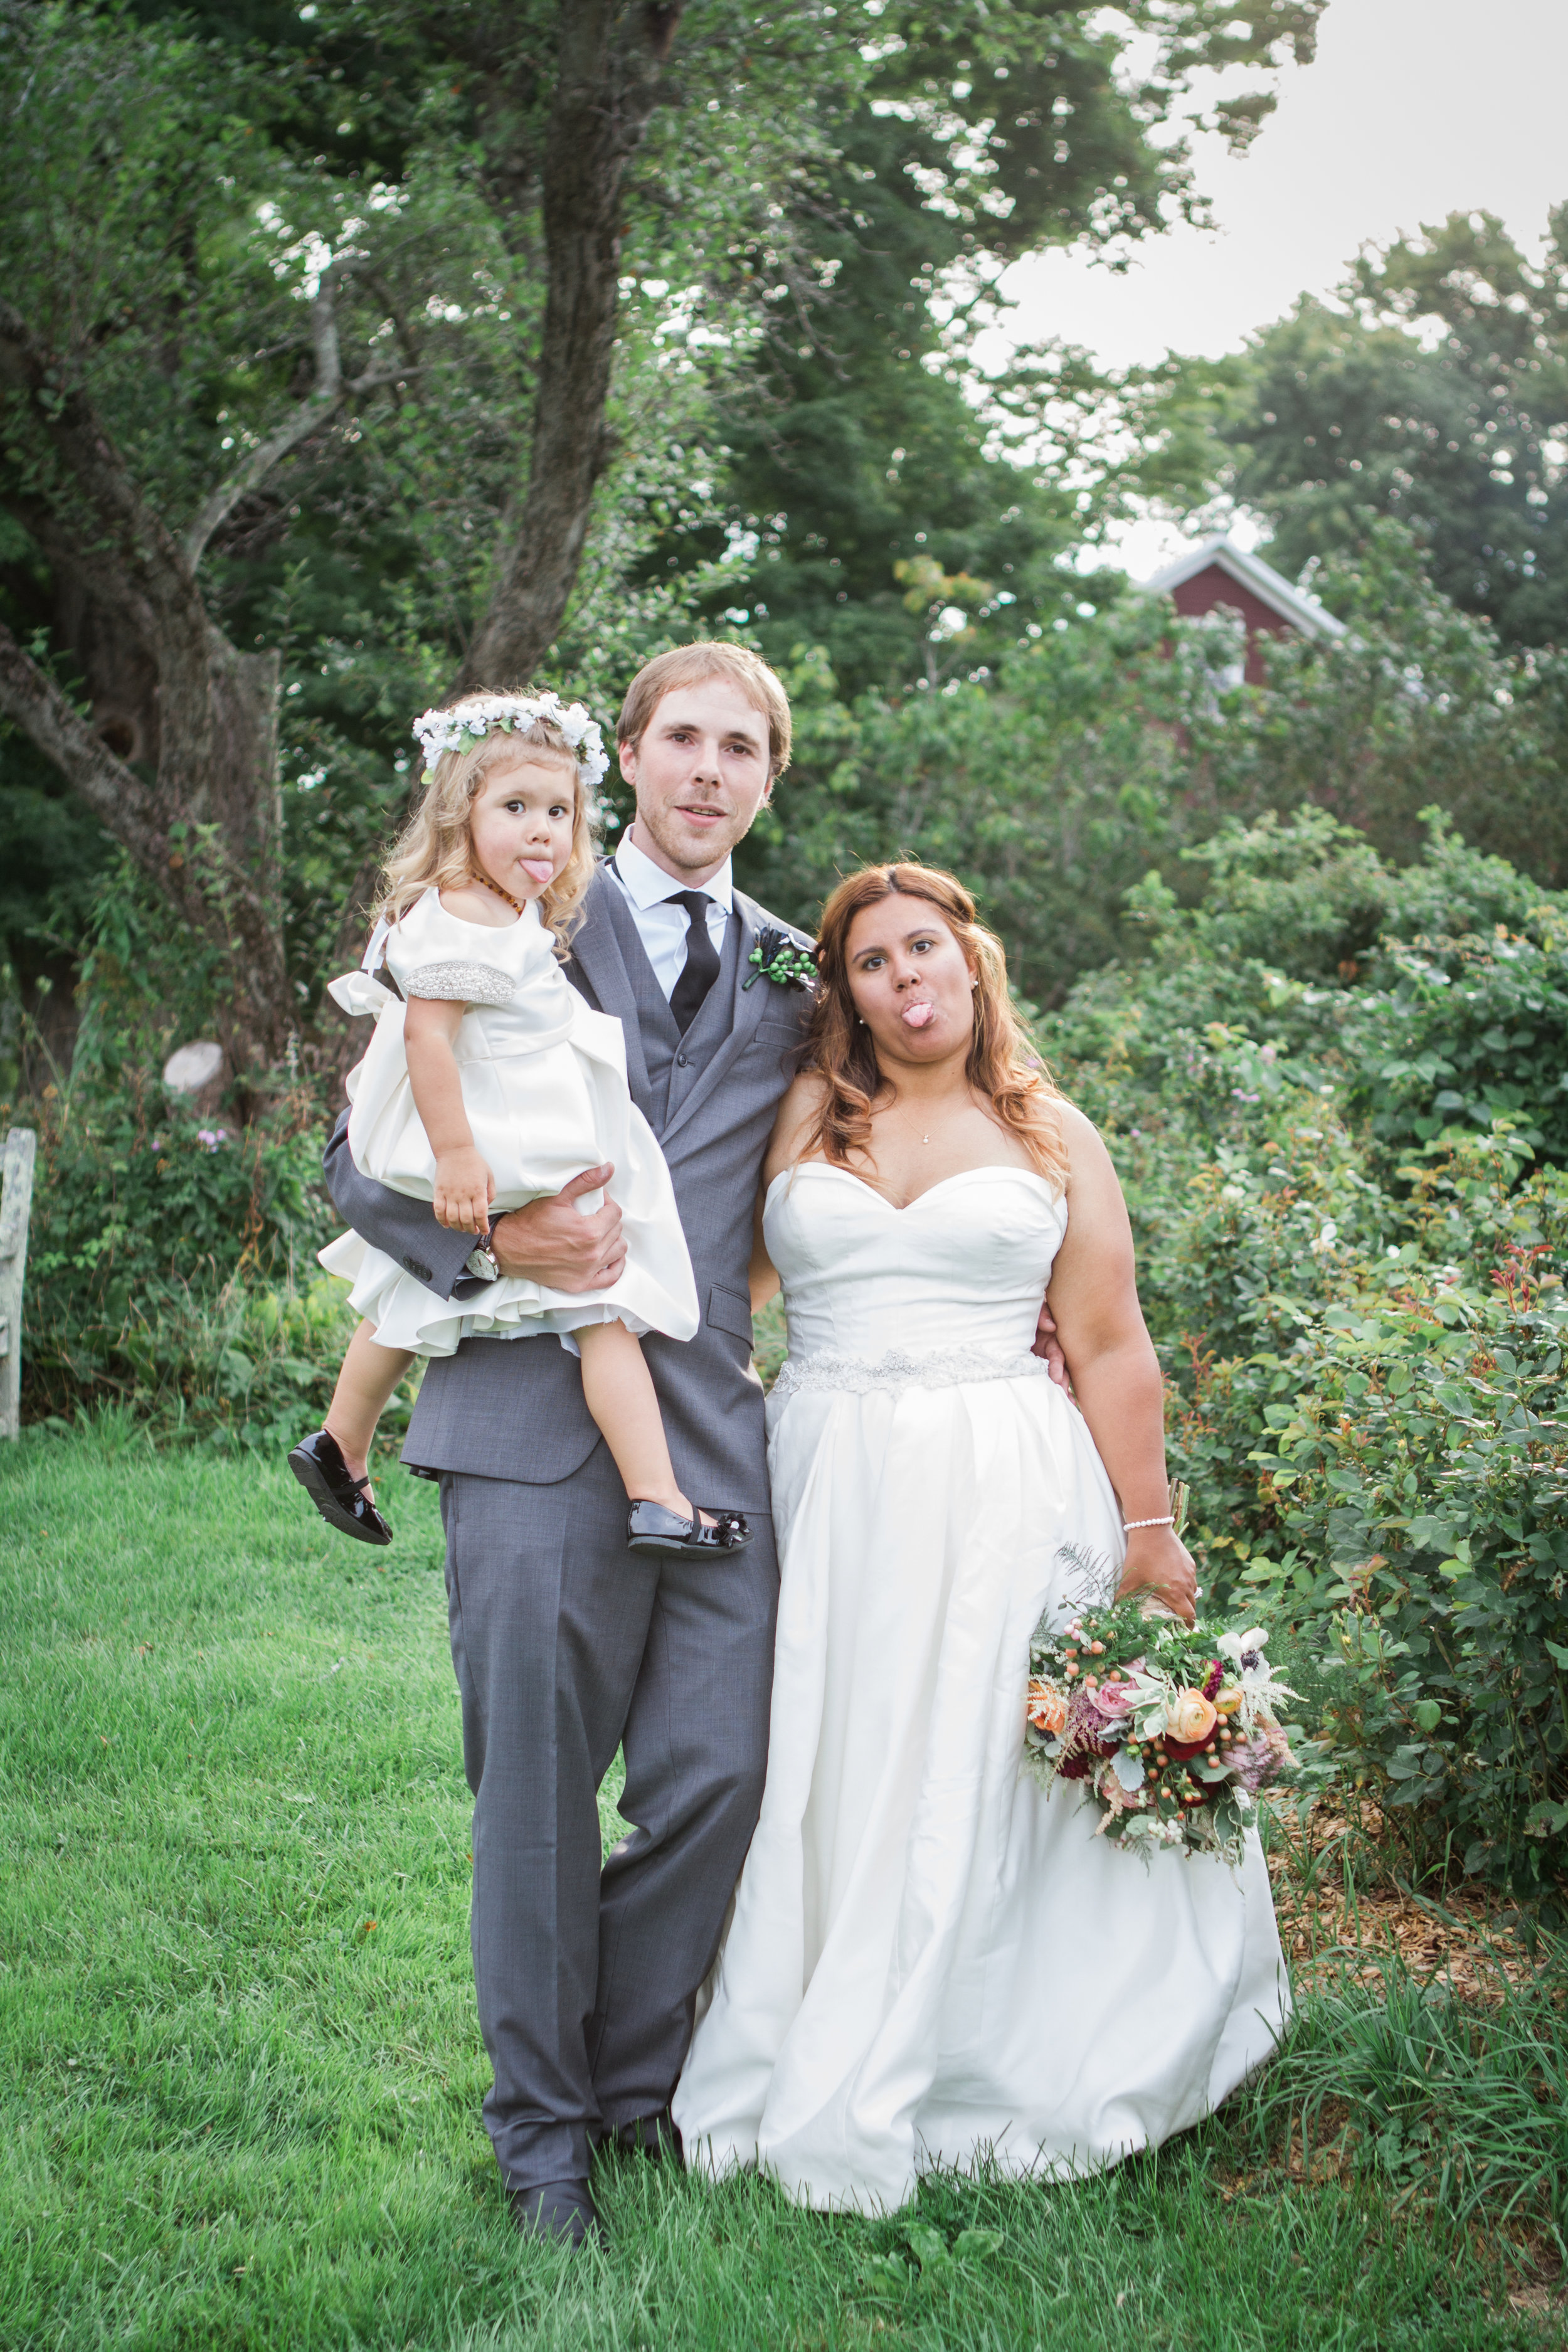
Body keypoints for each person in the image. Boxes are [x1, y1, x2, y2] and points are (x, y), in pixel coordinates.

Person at [672, 861, 1289, 2213]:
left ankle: (995, 2049)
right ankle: (792, 2016)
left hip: (1006, 1479)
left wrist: (1149, 1531)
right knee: (829, 1748)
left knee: (973, 1746)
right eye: (872, 965)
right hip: (827, 1472)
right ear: (845, 995)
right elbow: (732, 1278)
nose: (905, 981)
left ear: (971, 962)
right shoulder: (804, 1118)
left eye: (922, 951)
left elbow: (1110, 1342)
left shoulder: (1050, 1132)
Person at [317, 644, 827, 2248]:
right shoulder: (507, 899)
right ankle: (545, 2142)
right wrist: (484, 1252)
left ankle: (624, 2081)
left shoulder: (793, 969)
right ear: (628, 753)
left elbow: (880, 1143)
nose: (706, 771)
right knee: (533, 1793)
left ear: (766, 778)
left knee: (718, 1779)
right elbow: (356, 1155)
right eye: (681, 738)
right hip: (528, 1415)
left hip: (711, 1431)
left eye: (740, 749)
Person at [290, 688, 751, 1561]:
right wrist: (461, 1156)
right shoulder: (463, 909)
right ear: (461, 812)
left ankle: (341, 1442)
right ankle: (657, 1496)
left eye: (559, 812)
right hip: (498, 1133)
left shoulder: (506, 906)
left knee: (405, 1287)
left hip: (511, 1121)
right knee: (603, 1309)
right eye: (516, 809)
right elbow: (428, 1034)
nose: (543, 831)